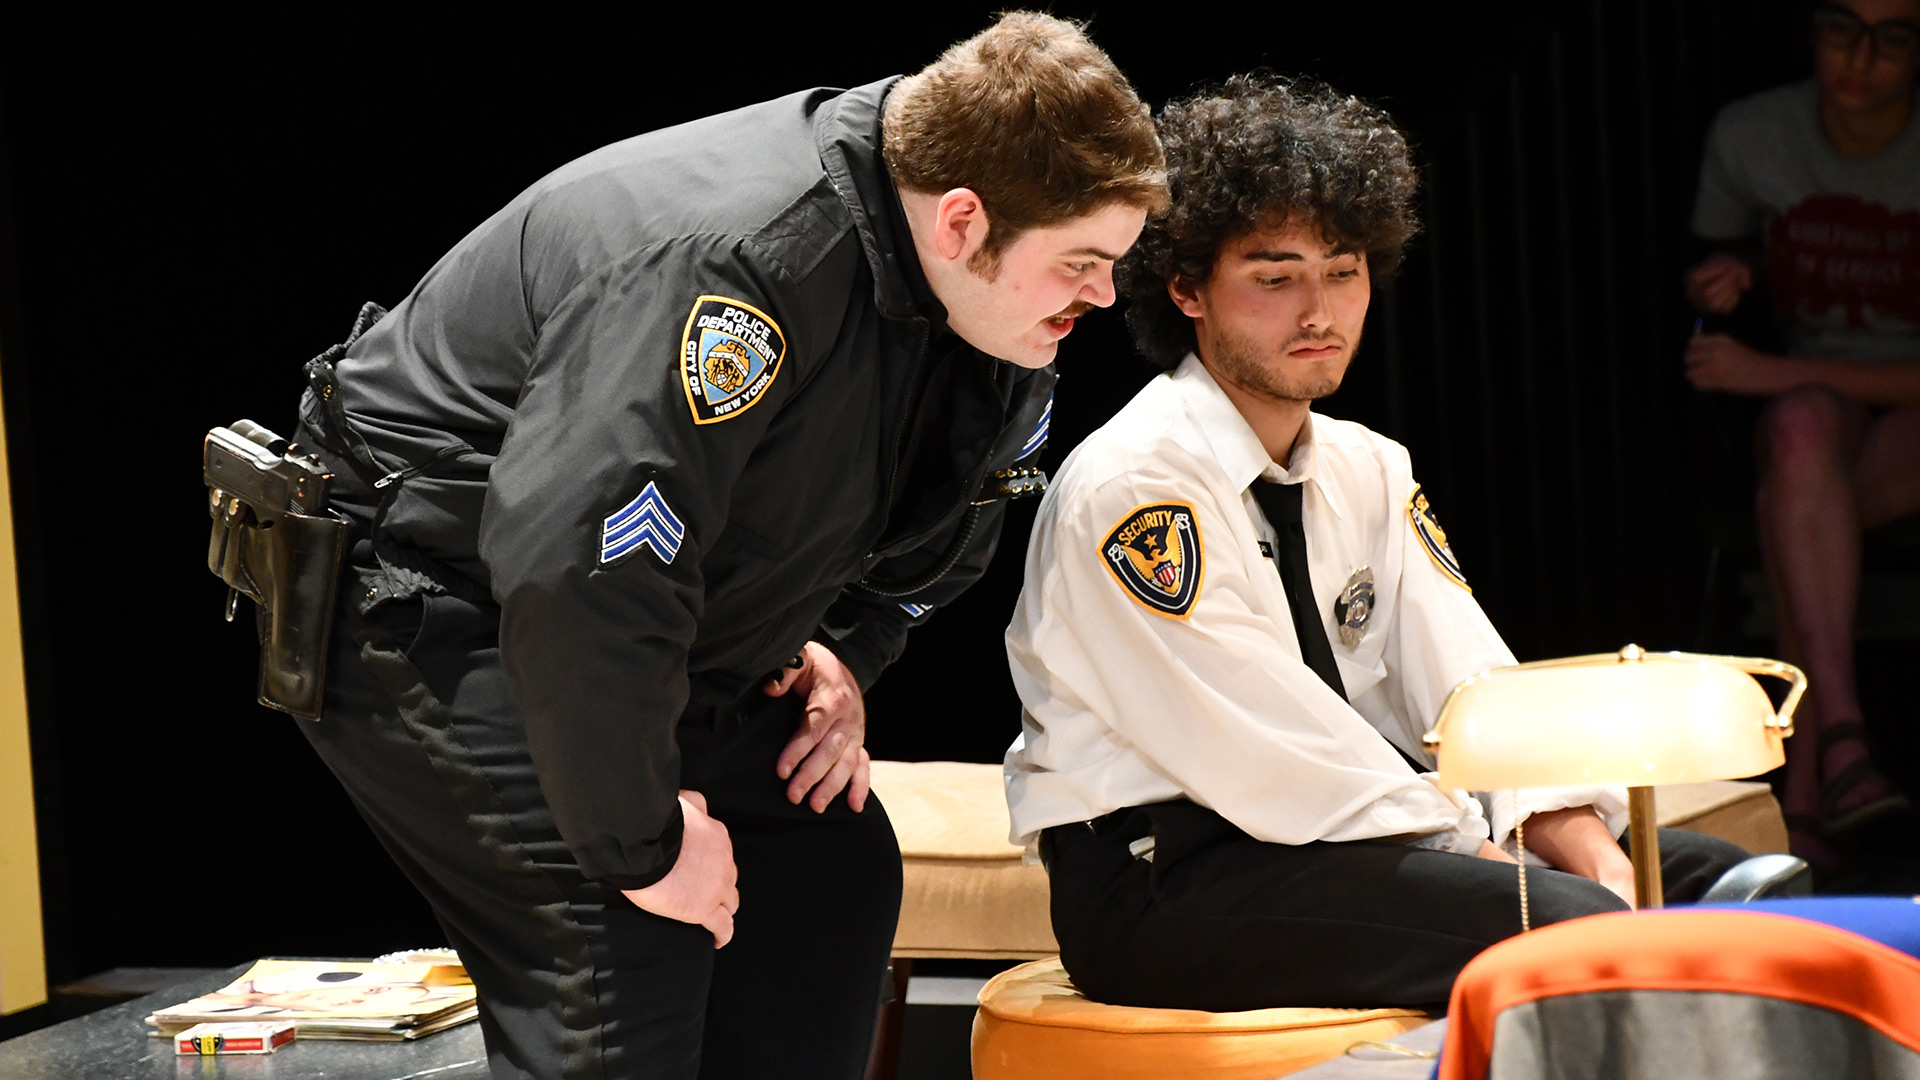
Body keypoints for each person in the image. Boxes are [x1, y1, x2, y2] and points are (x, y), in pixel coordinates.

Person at [278, 13, 1165, 1079]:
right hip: (434, 594)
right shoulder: (736, 266)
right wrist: (640, 843)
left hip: (641, 614)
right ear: (963, 222)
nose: (1106, 296)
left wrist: (843, 647)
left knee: (827, 876)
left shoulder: (987, 292)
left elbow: (952, 507)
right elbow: (582, 567)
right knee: (625, 940)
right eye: (1083, 262)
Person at [1003, 75, 1750, 1012]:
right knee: (1565, 924)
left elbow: (1475, 688)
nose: (1318, 310)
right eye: (1275, 278)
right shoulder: (1136, 490)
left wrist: (1593, 848)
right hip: (1167, 878)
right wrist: (1482, 858)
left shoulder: (1368, 467)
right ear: (1187, 287)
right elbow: (1273, 751)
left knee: (1729, 887)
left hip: (1338, 843)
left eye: (1343, 269)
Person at [1684, 0, 1920, 864]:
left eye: (1892, 35)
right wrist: (1734, 277)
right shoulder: (1755, 136)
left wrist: (1770, 371)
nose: (1862, 56)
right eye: (1841, 27)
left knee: (1797, 504)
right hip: (1825, 421)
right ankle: (1847, 744)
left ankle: (1810, 788)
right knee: (1798, 437)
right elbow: (1718, 254)